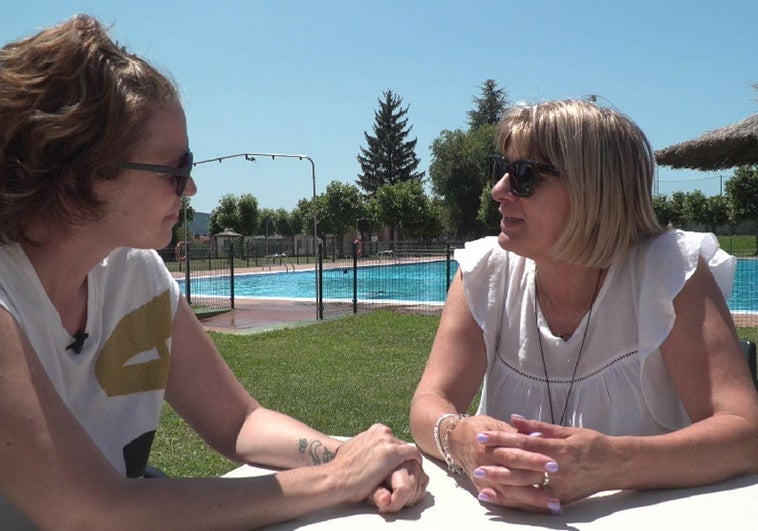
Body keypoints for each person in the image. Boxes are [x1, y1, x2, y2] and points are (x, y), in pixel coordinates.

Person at [0, 15, 426, 529]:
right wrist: (335, 479)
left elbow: (238, 422)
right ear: (80, 175)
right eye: (177, 170)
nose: (193, 189)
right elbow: (90, 510)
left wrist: (353, 456)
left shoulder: (138, 277)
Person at [409, 99, 758, 515]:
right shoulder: (485, 272)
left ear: (593, 190)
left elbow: (744, 432)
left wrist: (612, 464)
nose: (498, 190)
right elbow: (430, 401)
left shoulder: (670, 272)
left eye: (523, 176)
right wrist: (459, 437)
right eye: (499, 169)